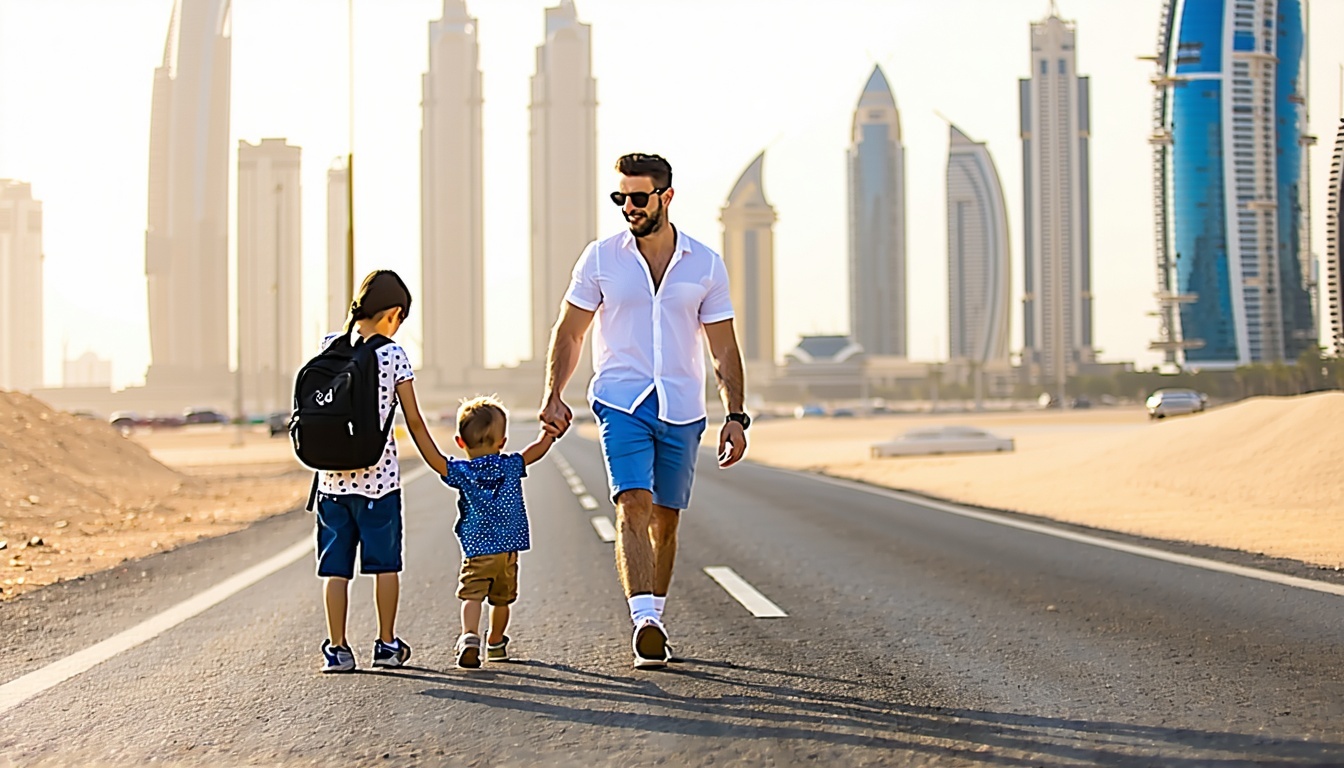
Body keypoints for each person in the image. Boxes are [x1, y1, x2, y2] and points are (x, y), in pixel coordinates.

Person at [540, 153, 750, 669]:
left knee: (666, 519)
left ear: (666, 197)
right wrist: (553, 393)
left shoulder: (704, 264)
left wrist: (736, 415)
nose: (628, 207)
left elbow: (723, 348)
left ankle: (656, 610)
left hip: (682, 406)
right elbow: (570, 333)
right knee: (632, 501)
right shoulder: (600, 259)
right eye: (620, 198)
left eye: (638, 197)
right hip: (620, 401)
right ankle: (645, 623)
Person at [314, 270, 450, 673]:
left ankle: (337, 649)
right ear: (393, 314)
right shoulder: (392, 355)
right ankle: (387, 645)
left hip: (331, 484)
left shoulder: (328, 346)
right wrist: (443, 467)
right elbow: (415, 422)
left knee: (335, 569)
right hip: (380, 482)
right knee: (385, 565)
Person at [442, 396, 557, 668]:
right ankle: (495, 641)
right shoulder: (509, 465)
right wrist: (549, 434)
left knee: (472, 595)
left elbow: (436, 461)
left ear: (460, 442)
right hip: (507, 551)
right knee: (501, 600)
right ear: (502, 441)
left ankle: (469, 635)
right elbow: (535, 451)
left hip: (477, 552)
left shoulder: (462, 471)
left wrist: (419, 431)